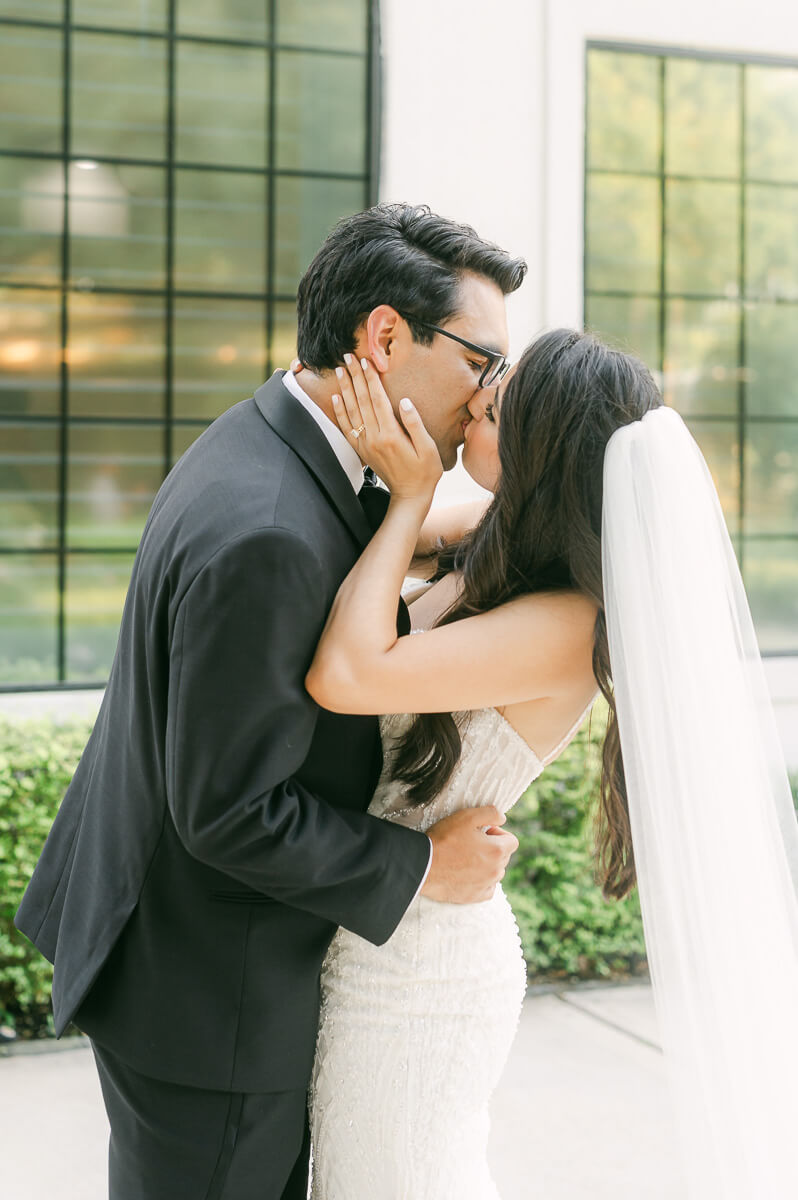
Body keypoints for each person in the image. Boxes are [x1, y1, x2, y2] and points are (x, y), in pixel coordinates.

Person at [13, 203, 526, 1200]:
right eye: (481, 362)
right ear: (384, 337)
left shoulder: (276, 441)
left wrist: (433, 522)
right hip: (215, 1001)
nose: (487, 395)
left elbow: (331, 557)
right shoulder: (270, 535)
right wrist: (426, 864)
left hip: (173, 948)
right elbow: (230, 811)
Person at [305, 333, 798, 1199]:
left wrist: (412, 491)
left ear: (541, 450)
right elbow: (344, 549)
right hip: (376, 929)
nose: (471, 407)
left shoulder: (567, 621)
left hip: (420, 979)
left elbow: (347, 675)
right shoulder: (497, 541)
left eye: (493, 409)